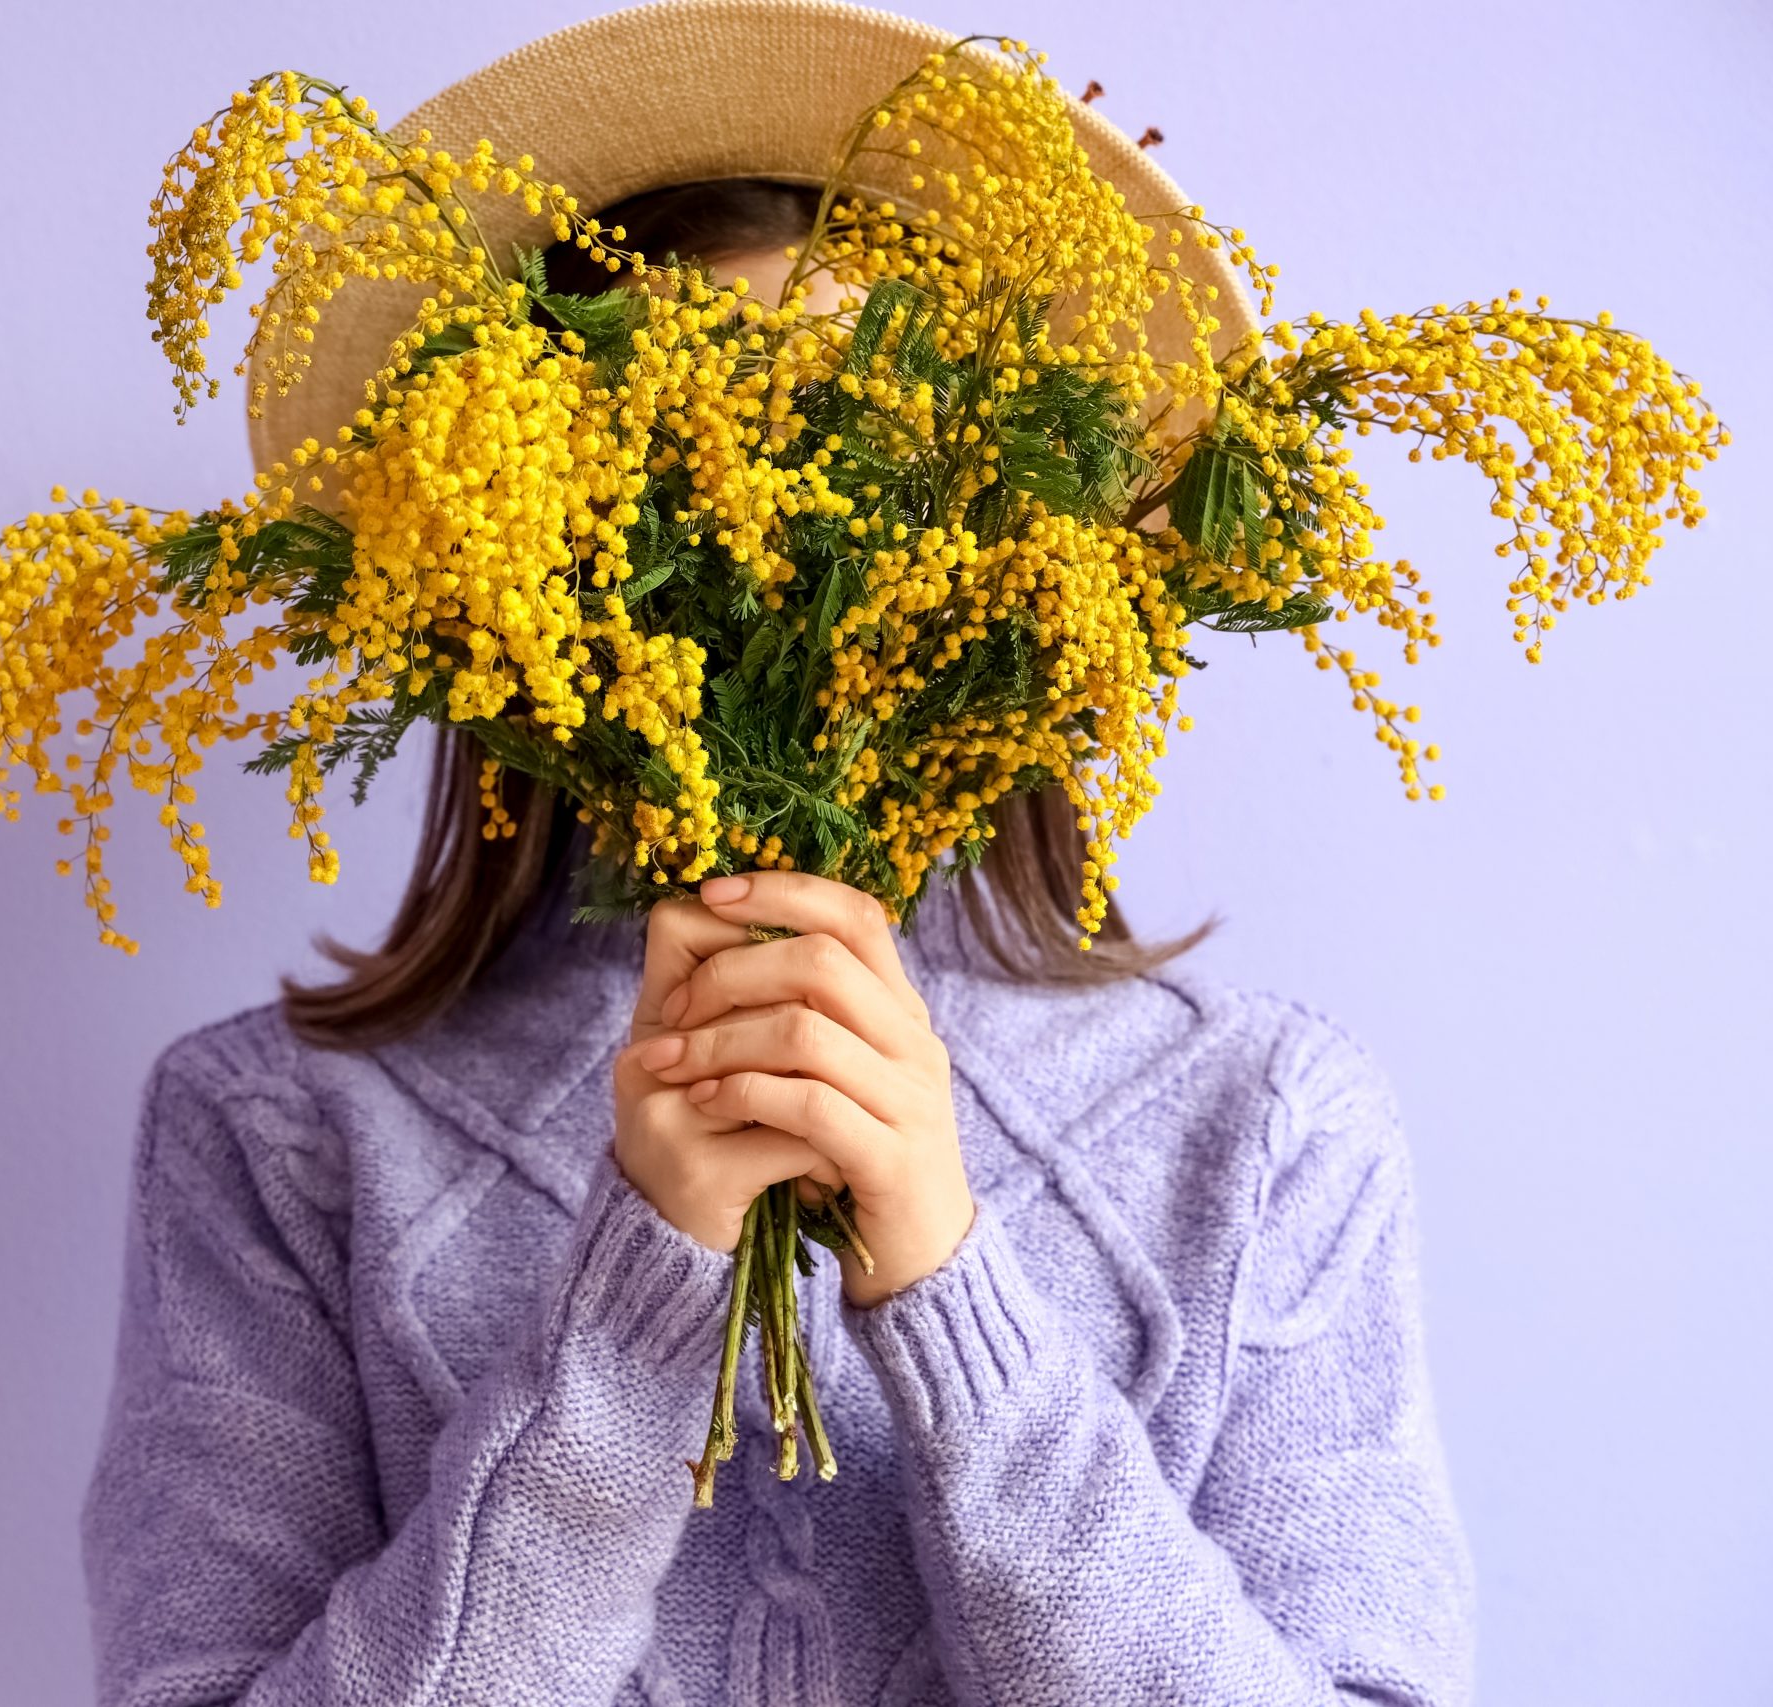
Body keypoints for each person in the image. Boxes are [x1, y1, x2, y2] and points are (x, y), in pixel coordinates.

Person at [81, 7, 1476, 1703]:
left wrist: (960, 1303)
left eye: (865, 465)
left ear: (1022, 560)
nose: (777, 537)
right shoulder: (280, 1137)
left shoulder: (1263, 1131)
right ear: (509, 554)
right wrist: (622, 1328)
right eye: (673, 479)